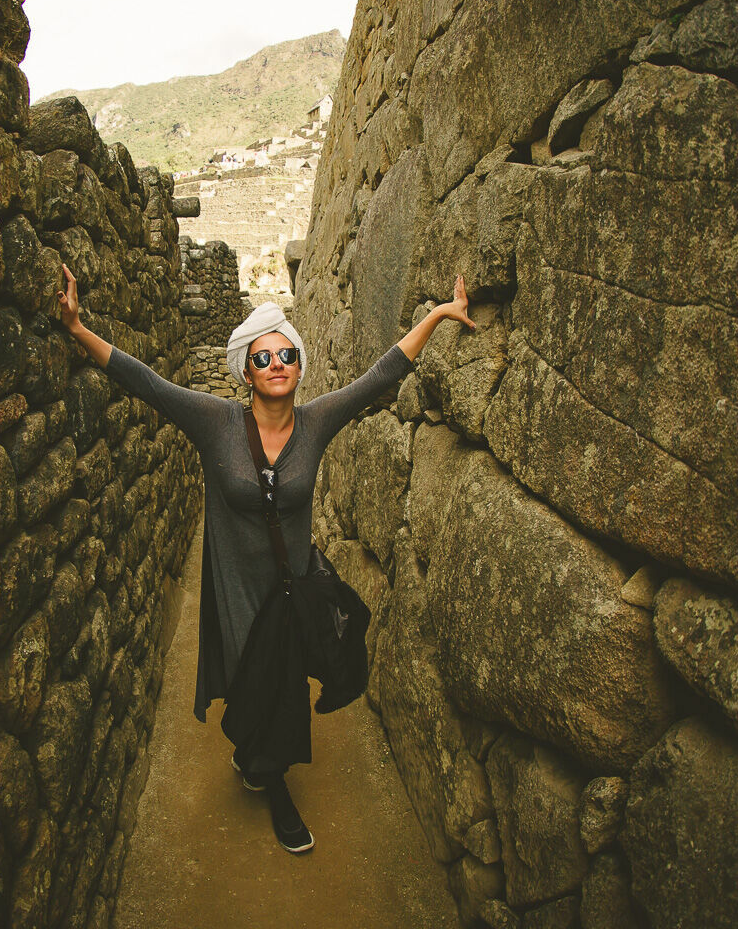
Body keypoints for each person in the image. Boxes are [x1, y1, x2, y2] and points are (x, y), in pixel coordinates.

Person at [58, 263, 475, 853]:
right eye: (263, 358)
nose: (277, 365)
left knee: (280, 686)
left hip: (290, 586)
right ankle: (260, 762)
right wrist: (77, 329)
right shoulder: (215, 422)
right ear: (246, 371)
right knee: (249, 683)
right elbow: (144, 381)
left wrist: (436, 314)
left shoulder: (318, 420)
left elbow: (382, 375)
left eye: (287, 356)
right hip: (235, 586)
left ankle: (272, 781)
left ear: (300, 367)